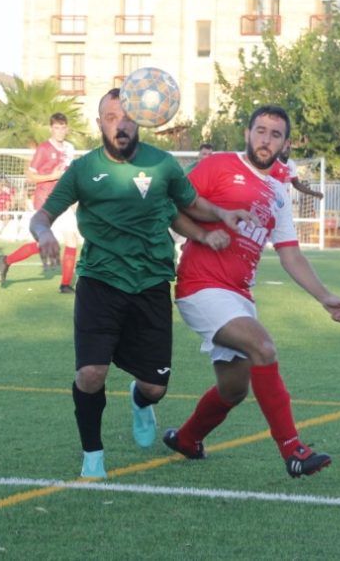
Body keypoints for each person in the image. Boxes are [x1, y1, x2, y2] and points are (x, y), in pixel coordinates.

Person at [30, 88, 251, 479]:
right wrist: (43, 233)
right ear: (100, 124)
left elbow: (189, 204)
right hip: (100, 281)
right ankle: (93, 456)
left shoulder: (163, 165)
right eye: (111, 117)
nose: (120, 125)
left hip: (151, 284)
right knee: (91, 373)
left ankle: (139, 399)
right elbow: (42, 215)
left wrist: (220, 216)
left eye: (127, 117)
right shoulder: (83, 170)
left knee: (154, 388)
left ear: (142, 120)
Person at [162, 104, 340, 478]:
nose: (266, 140)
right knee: (263, 347)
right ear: (248, 133)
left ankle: (187, 439)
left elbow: (291, 255)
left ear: (285, 144)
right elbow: (172, 204)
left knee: (234, 390)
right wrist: (202, 233)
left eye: (275, 134)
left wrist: (324, 296)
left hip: (238, 294)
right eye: (260, 130)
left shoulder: (278, 192)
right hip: (200, 287)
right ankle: (293, 451)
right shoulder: (218, 165)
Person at [0, 113, 81, 292]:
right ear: (51, 129)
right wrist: (52, 176)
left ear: (67, 128)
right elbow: (30, 175)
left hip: (62, 201)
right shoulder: (44, 149)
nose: (59, 131)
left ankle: (65, 284)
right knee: (46, 244)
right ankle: (6, 261)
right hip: (44, 202)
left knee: (72, 239)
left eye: (63, 127)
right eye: (56, 127)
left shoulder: (69, 148)